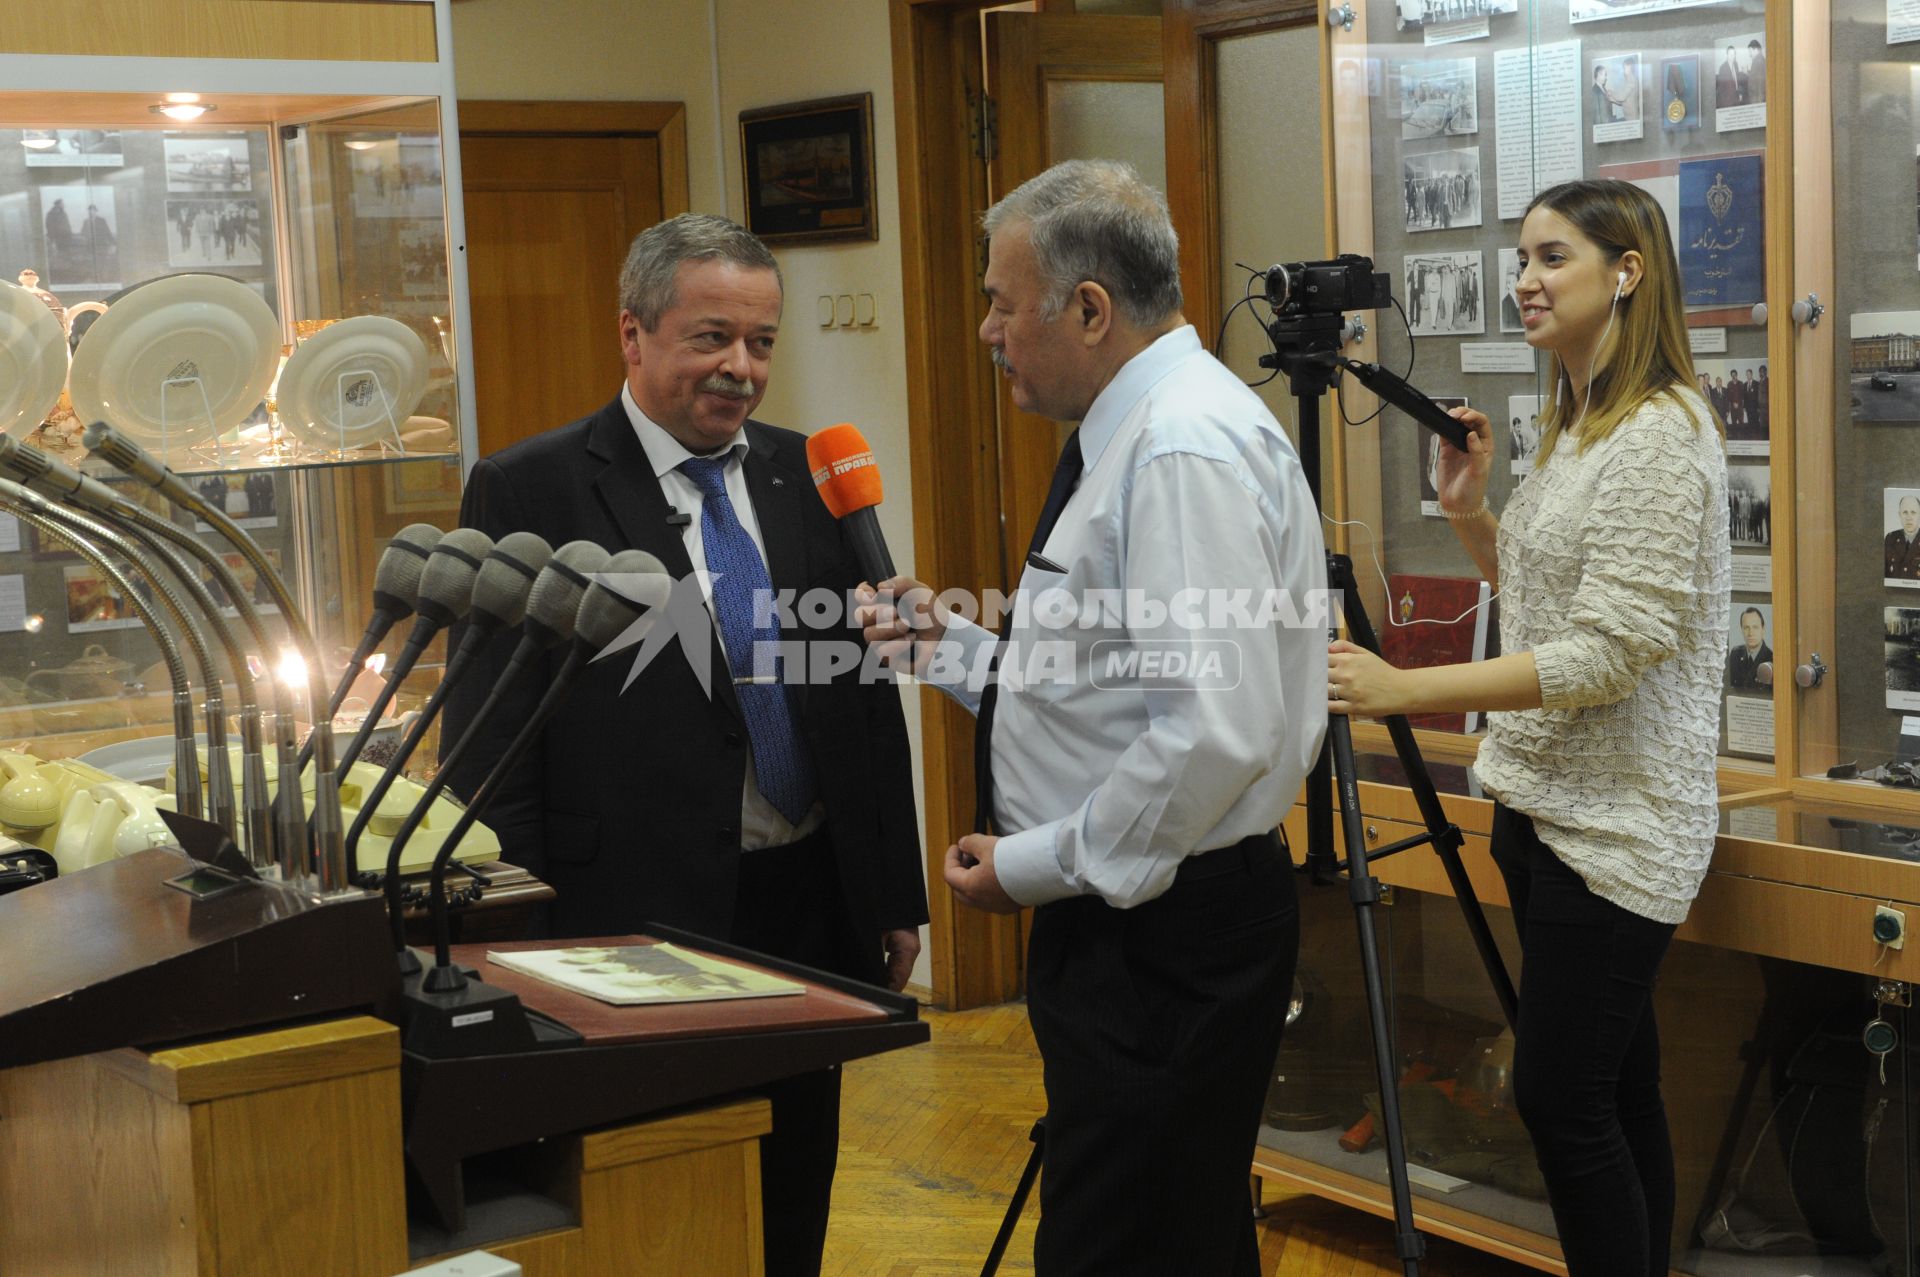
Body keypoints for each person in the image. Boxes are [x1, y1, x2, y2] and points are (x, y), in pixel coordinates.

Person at [858, 159, 1324, 1275]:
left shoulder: (1175, 446)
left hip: (1161, 935)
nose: (985, 329)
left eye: (1001, 303)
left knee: (1124, 1242)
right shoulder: (1141, 425)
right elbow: (1111, 678)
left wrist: (1032, 863)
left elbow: (1211, 730)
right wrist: (954, 650)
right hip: (1141, 918)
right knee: (1162, 1231)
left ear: (1089, 307)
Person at [440, 212, 927, 1277]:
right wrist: (519, 933)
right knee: (660, 1195)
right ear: (634, 333)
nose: (739, 369)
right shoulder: (532, 489)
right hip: (631, 911)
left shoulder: (812, 474)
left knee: (795, 1185)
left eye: (760, 342)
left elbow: (858, 694)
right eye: (711, 338)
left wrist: (890, 885)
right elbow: (489, 734)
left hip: (802, 896)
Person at [1327, 178, 1729, 1277]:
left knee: (1562, 1099)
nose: (1524, 281)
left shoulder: (1659, 433)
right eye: (1521, 259)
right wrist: (1469, 514)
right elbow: (1552, 608)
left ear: (1627, 271)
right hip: (1548, 813)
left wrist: (1406, 690)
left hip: (1619, 830)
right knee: (1612, 1089)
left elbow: (1609, 653)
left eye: (1552, 257)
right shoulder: (1576, 422)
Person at [1727, 607, 1771, 690]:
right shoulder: (1735, 654)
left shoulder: (1771, 658)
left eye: (1755, 627)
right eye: (1746, 627)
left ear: (1763, 629)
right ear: (1741, 630)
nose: (1750, 633)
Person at [1886, 495, 1920, 580]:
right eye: (1905, 512)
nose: (1909, 517)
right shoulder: (1890, 539)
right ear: (1899, 515)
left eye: (1913, 512)